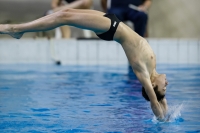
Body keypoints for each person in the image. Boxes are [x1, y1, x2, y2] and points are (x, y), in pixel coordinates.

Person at [0, 8, 168, 121]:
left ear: (152, 86)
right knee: (64, 12)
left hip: (112, 28)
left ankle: (17, 29)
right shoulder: (153, 70)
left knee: (63, 18)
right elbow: (160, 98)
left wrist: (162, 121)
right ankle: (19, 29)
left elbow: (154, 102)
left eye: (164, 88)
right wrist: (164, 105)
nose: (167, 84)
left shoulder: (144, 74)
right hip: (114, 22)